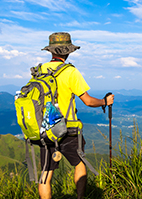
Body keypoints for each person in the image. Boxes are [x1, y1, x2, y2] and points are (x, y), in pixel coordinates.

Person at [38, 32, 114, 199]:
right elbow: (87, 101)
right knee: (79, 163)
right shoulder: (70, 71)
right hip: (67, 129)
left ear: (51, 51)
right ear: (68, 51)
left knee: (46, 172)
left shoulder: (40, 70)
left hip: (45, 128)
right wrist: (104, 101)